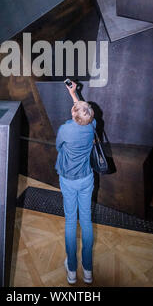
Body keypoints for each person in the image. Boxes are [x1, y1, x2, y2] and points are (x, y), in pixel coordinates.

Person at [55, 81, 96, 285]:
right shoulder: (92, 126)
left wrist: (75, 101)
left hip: (69, 181)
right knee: (86, 222)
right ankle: (87, 270)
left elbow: (58, 146)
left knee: (71, 222)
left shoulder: (65, 129)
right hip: (86, 178)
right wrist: (74, 94)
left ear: (73, 115)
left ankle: (72, 270)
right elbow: (83, 112)